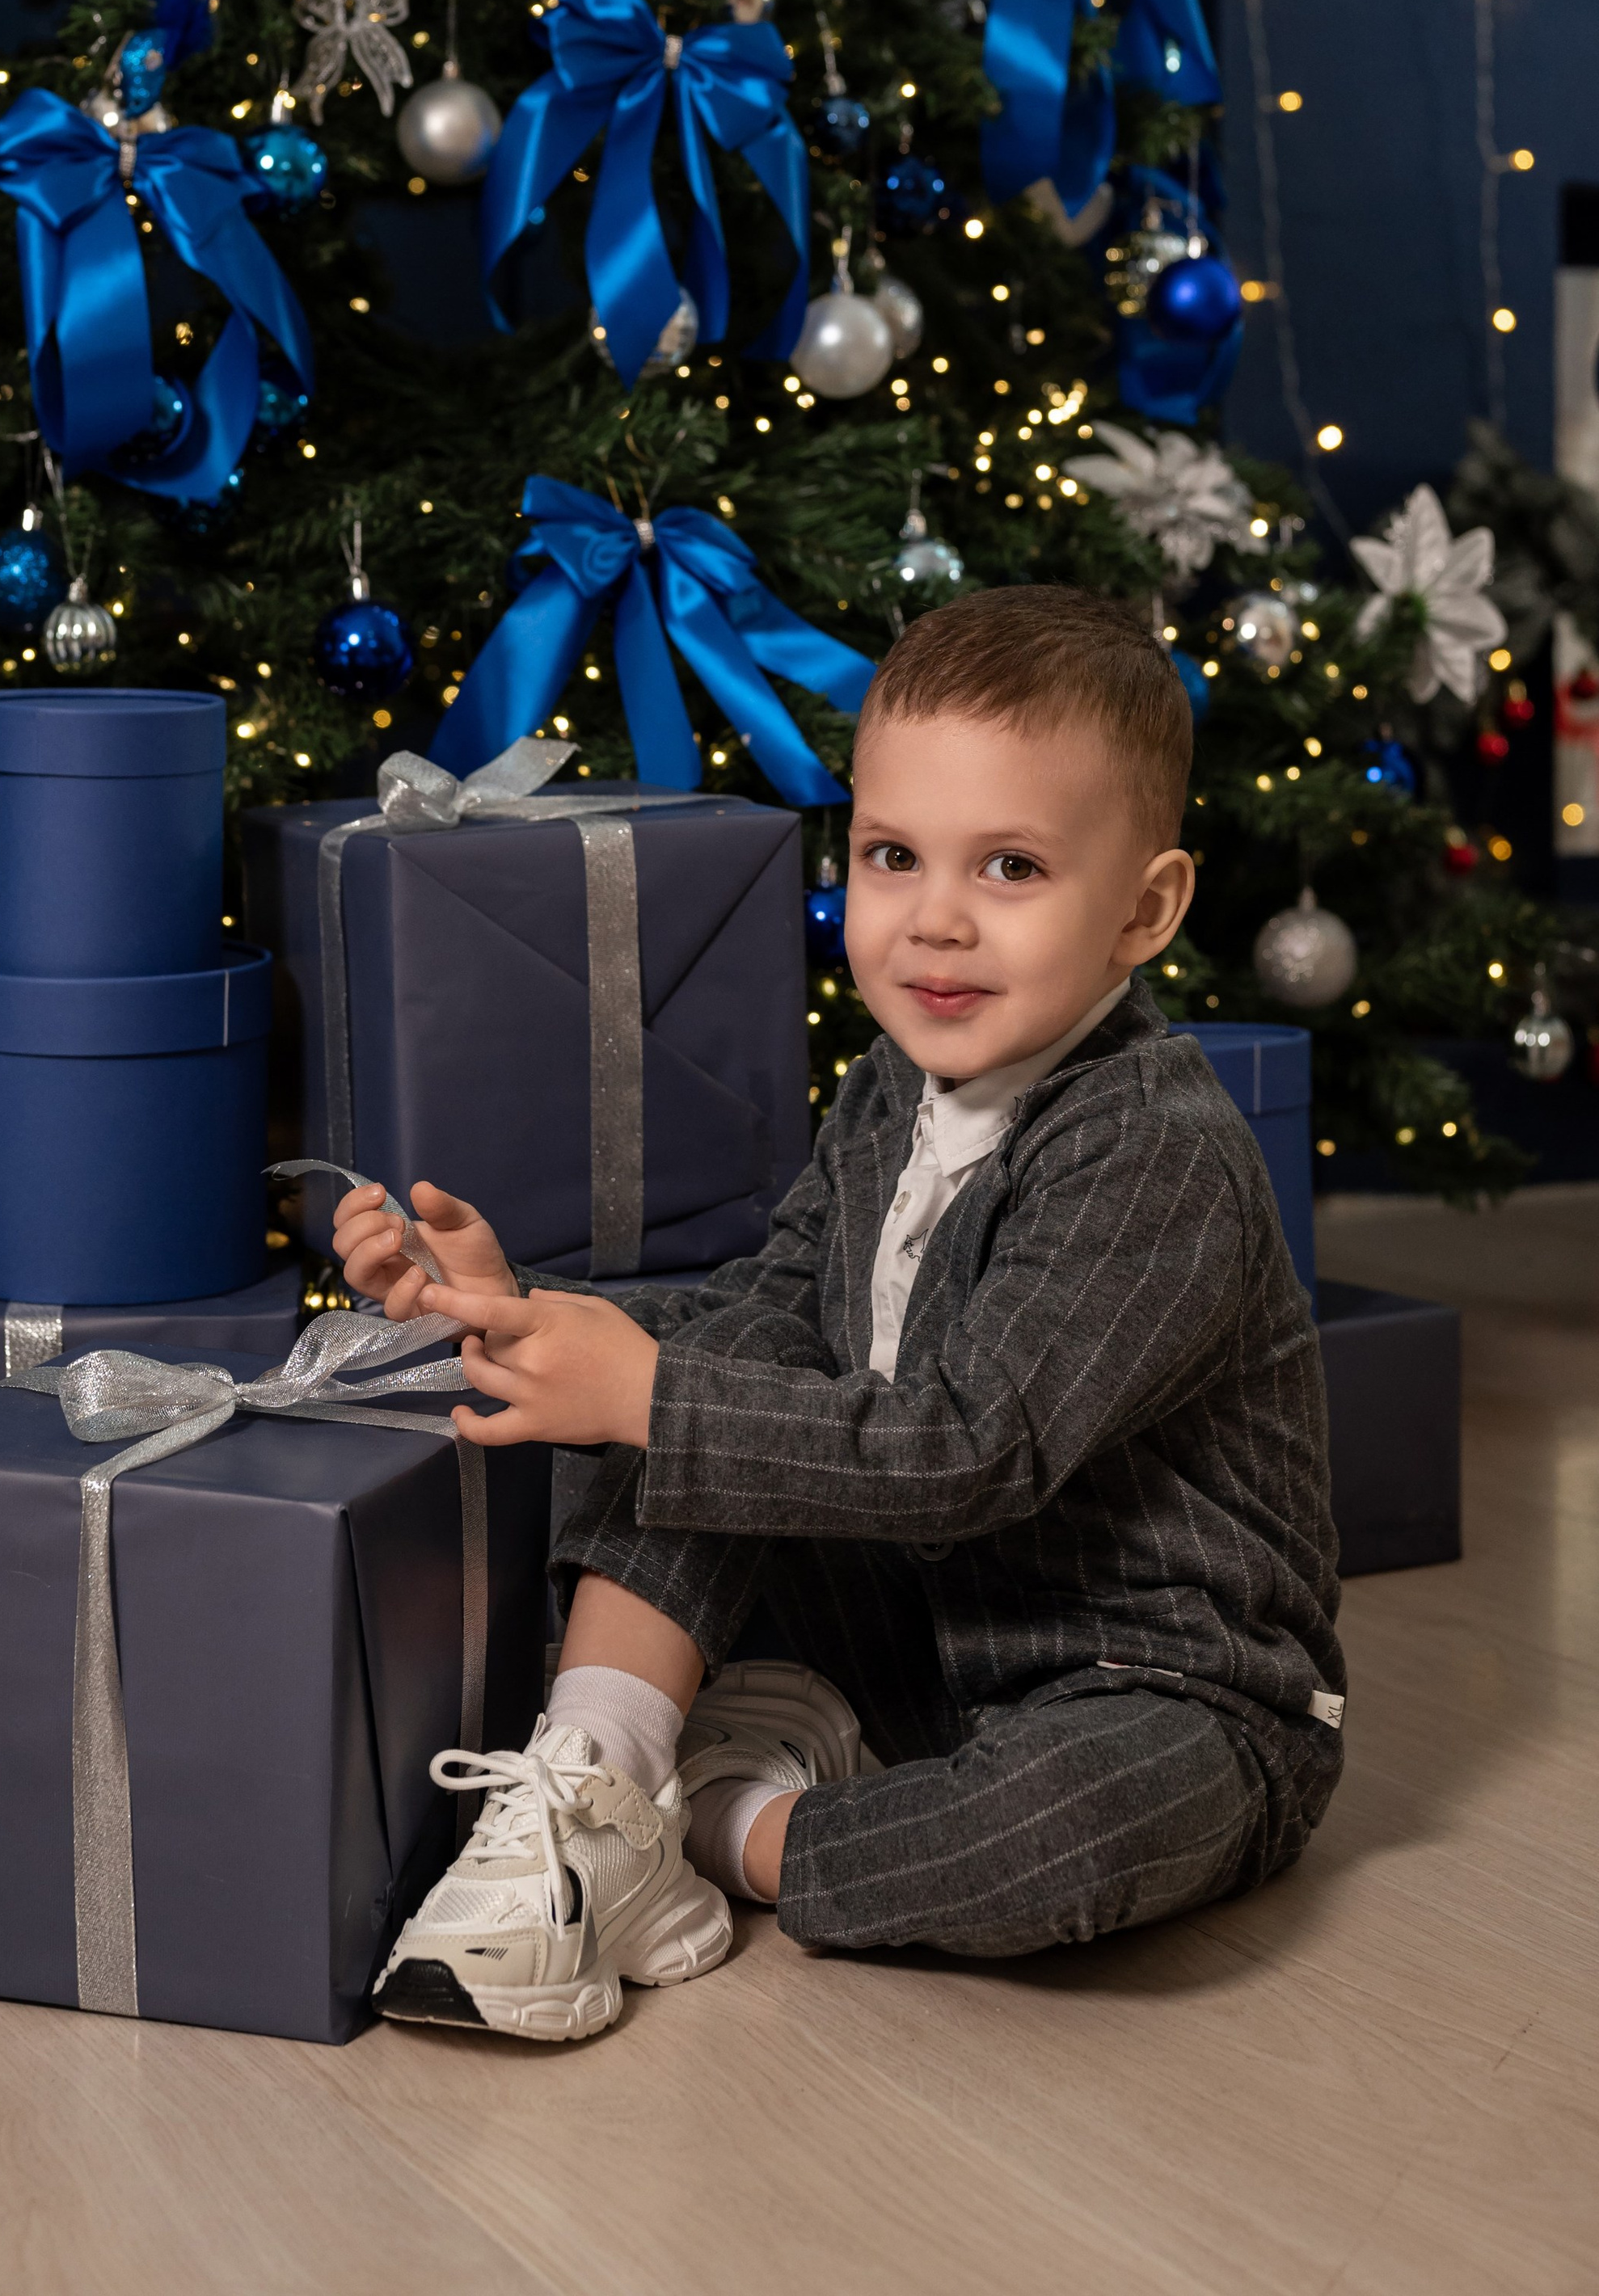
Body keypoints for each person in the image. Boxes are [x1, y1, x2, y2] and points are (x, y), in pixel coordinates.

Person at [334, 587, 1344, 2044]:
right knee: (718, 1367)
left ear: (1144, 908)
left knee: (1061, 1833)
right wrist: (525, 1307)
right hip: (918, 1617)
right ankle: (594, 1774)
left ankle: (716, 1827)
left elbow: (973, 1445)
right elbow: (768, 1307)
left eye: (1010, 866)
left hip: (1149, 1677)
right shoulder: (891, 1090)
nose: (936, 918)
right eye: (892, 855)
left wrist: (648, 1393)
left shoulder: (1153, 1147)